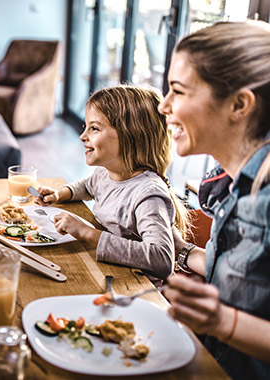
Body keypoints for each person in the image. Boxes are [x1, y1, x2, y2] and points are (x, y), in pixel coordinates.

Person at [158, 21, 270, 379]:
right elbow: (252, 277)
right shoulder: (233, 183)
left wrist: (223, 320)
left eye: (178, 91)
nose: (164, 106)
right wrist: (183, 252)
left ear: (239, 104)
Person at [35, 85, 189, 282]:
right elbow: (88, 186)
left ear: (131, 136)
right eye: (86, 127)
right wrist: (60, 194)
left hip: (136, 288)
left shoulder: (148, 194)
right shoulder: (105, 174)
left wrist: (88, 233)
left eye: (94, 128)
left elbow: (161, 260)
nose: (83, 137)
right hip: (106, 272)